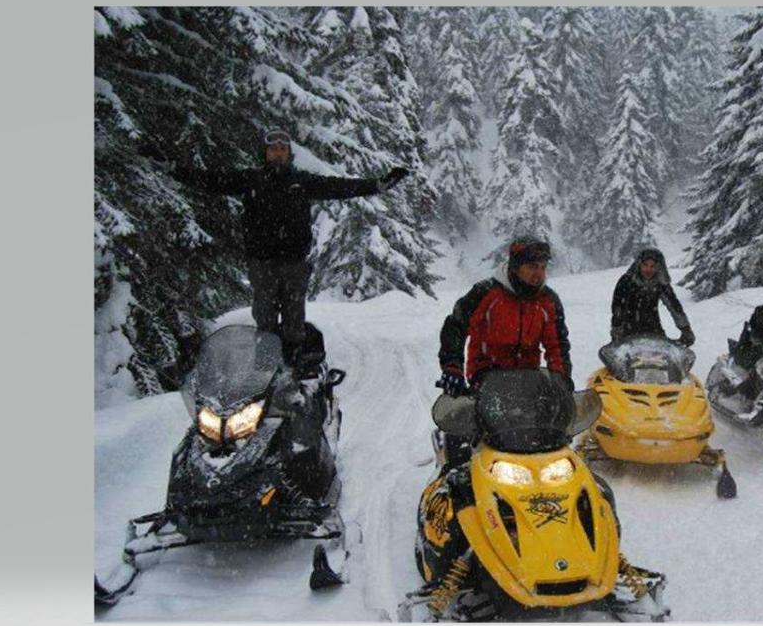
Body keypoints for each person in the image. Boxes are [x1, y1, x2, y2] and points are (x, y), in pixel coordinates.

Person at [157, 128, 408, 370]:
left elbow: (340, 187)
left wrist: (377, 185)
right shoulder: (250, 179)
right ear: (265, 154)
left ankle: (296, 370)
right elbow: (211, 180)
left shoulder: (301, 182)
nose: (277, 153)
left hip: (294, 263)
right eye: (273, 149)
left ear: (289, 153)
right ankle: (264, 372)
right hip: (261, 263)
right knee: (264, 318)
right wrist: (173, 168)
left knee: (293, 320)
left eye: (282, 149)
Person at [436, 236, 572, 466]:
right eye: (531, 267)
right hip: (487, 377)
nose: (538, 273)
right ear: (515, 266)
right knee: (469, 432)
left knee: (551, 432)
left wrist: (560, 378)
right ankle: (450, 475)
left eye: (542, 267)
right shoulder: (485, 293)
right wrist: (452, 368)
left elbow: (557, 344)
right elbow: (455, 327)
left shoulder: (548, 301)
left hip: (529, 379)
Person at [609, 247, 695, 346]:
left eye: (652, 266)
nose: (648, 269)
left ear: (659, 267)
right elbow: (618, 307)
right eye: (645, 265)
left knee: (663, 359)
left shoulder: (660, 283)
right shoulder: (626, 281)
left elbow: (674, 306)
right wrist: (616, 329)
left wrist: (685, 329)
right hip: (627, 331)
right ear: (639, 264)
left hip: (653, 329)